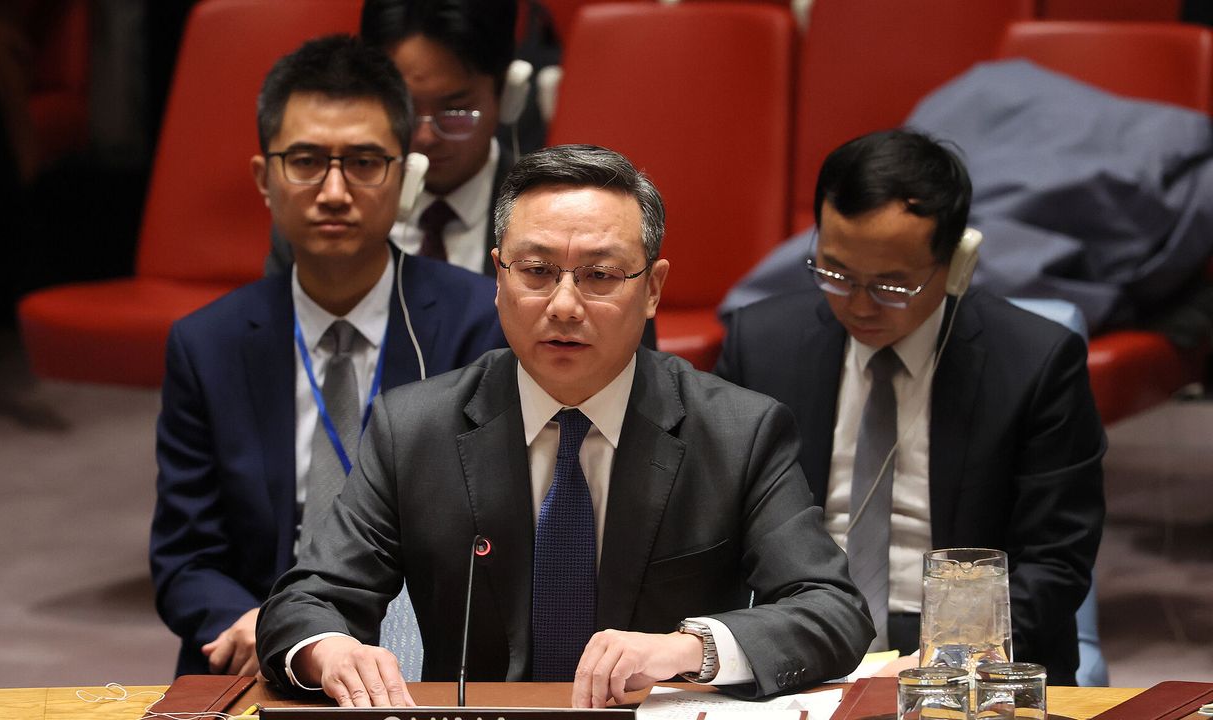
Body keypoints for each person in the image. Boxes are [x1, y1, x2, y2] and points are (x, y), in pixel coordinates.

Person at [255, 144, 874, 707]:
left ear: (653, 289)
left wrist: (691, 649)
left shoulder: (737, 431)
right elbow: (307, 601)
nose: (564, 305)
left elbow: (832, 610)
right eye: (536, 271)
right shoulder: (414, 429)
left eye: (600, 276)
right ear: (499, 277)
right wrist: (328, 651)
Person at [149, 35, 506, 677]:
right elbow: (185, 557)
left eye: (365, 162)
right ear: (264, 179)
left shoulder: (481, 324)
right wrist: (263, 626)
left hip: (416, 657)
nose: (335, 191)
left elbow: (498, 535)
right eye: (306, 161)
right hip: (256, 653)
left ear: (405, 176)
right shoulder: (208, 344)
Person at [715, 129, 1106, 685]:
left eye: (891, 286)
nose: (859, 305)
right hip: (798, 643)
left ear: (957, 265)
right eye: (836, 273)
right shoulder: (760, 345)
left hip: (972, 659)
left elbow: (1055, 565)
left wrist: (944, 664)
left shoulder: (1037, 363)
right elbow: (716, 530)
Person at [267, 0, 519, 277]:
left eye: (454, 111)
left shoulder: (543, 213)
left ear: (506, 95)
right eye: (406, 109)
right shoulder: (321, 215)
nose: (425, 137)